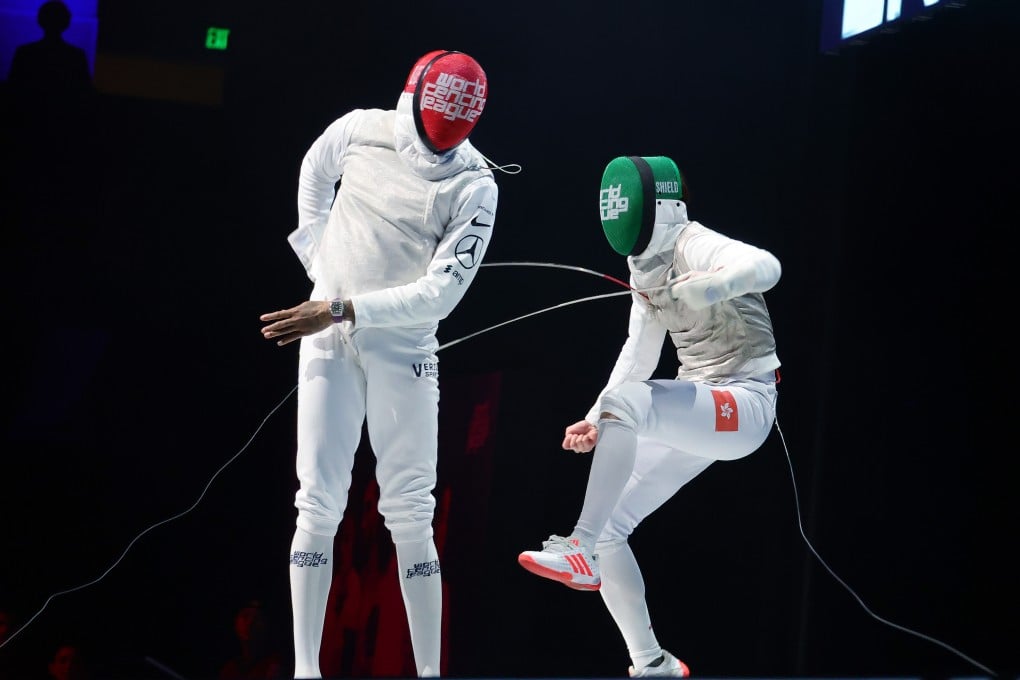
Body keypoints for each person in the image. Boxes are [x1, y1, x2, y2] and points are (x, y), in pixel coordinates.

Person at [259, 49, 499, 679]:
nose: (432, 152)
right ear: (412, 96)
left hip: (403, 346)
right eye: (426, 133)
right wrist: (319, 262)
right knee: (317, 502)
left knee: (411, 511)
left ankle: (428, 675)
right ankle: (304, 672)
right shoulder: (362, 128)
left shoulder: (474, 183)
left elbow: (440, 296)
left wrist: (337, 305)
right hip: (330, 337)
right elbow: (315, 170)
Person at [518, 155, 782, 678]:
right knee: (616, 522)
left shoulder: (693, 243)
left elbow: (768, 266)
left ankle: (579, 548)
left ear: (654, 205)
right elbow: (638, 354)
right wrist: (598, 416)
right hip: (699, 407)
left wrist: (712, 286)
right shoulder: (645, 266)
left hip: (745, 405)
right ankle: (651, 662)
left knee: (632, 403)